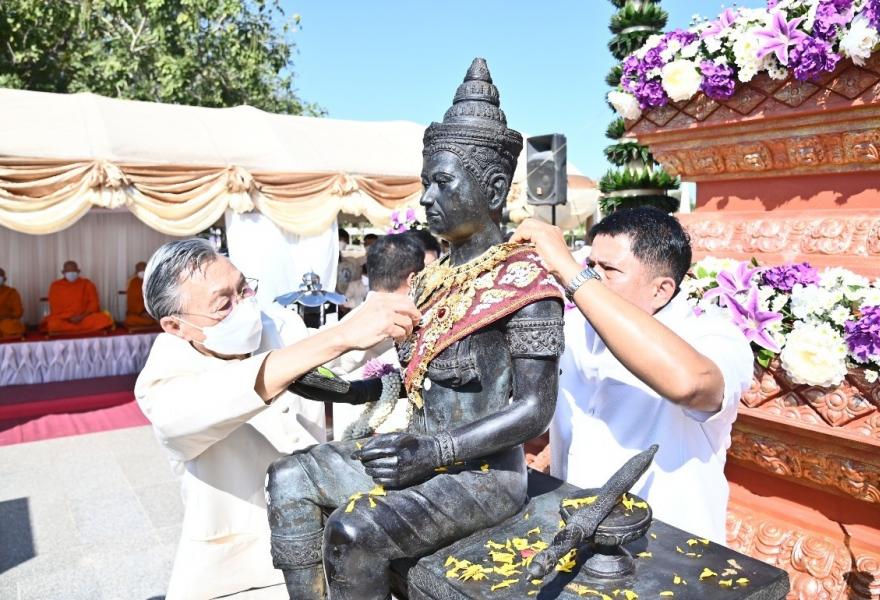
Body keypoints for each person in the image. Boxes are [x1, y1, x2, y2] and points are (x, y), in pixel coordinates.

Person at [265, 57, 563, 600]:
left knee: (353, 532)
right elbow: (416, 379)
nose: (426, 198)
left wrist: (436, 451)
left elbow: (535, 408)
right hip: (417, 451)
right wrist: (346, 389)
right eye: (426, 183)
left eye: (442, 183)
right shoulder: (432, 280)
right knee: (288, 478)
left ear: (494, 189)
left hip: (482, 475)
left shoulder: (528, 283)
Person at [134, 238, 419, 600]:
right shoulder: (163, 383)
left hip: (327, 533)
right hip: (240, 568)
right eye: (223, 304)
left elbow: (326, 359)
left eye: (244, 288)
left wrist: (384, 320)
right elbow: (240, 386)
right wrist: (342, 335)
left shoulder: (274, 321)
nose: (244, 306)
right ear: (176, 326)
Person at [511, 207, 753, 544]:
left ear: (661, 290)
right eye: (590, 265)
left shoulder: (713, 335)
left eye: (609, 270)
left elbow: (690, 384)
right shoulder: (571, 327)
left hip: (668, 544)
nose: (591, 278)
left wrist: (569, 270)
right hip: (573, 530)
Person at [329, 232, 425, 440]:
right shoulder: (414, 323)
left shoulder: (341, 327)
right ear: (414, 279)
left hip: (346, 447)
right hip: (399, 446)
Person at [40, 261, 114, 335]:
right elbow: (54, 306)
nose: (71, 273)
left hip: (84, 318)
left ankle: (67, 331)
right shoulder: (56, 286)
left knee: (103, 319)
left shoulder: (87, 284)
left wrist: (81, 316)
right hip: (64, 319)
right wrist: (68, 317)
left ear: (78, 271)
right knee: (53, 323)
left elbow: (94, 303)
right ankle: (84, 329)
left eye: (73, 271)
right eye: (68, 271)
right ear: (63, 272)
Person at [124, 261, 156, 329]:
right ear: (136, 271)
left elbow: (155, 300)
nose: (142, 272)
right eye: (139, 270)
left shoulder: (151, 282)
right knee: (129, 320)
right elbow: (131, 301)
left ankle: (151, 321)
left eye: (143, 269)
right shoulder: (133, 282)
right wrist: (140, 312)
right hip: (136, 314)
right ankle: (150, 322)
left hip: (149, 314)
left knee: (156, 318)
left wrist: (147, 312)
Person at [0, 268, 25, 338]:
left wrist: (4, 316)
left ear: (4, 279)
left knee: (12, 327)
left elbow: (18, 312)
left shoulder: (11, 292)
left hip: (6, 323)